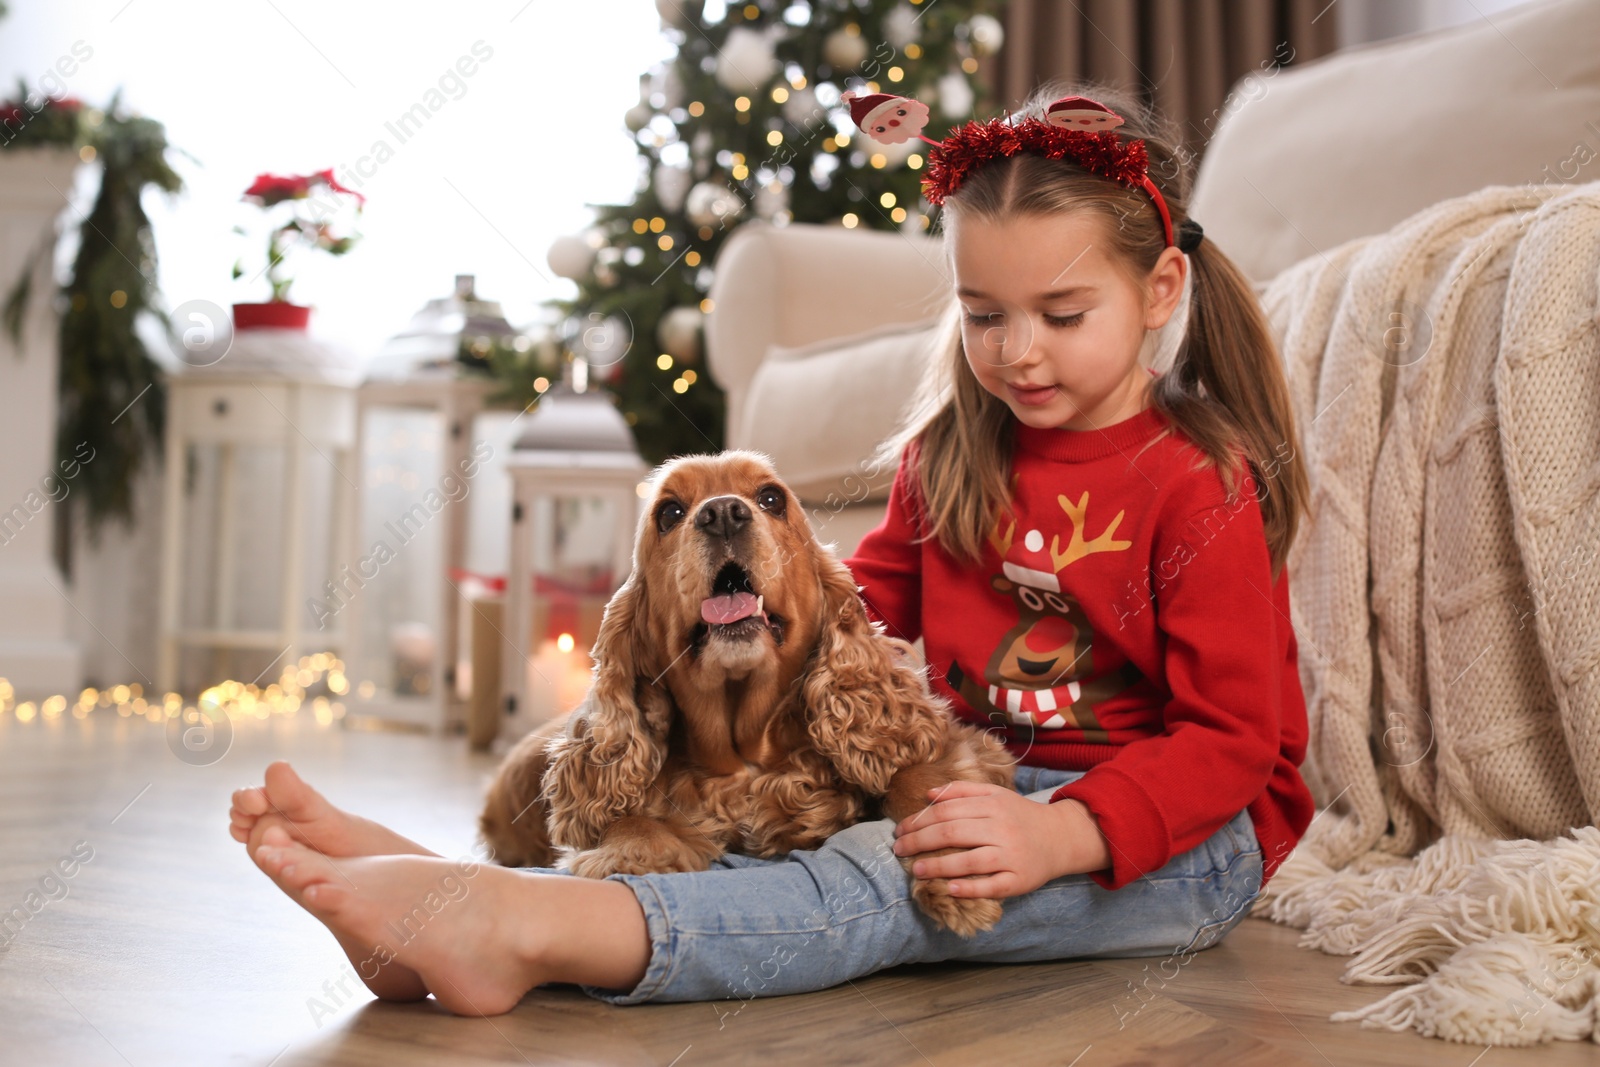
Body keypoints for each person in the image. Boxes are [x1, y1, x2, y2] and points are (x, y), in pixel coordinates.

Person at [230, 80, 1315, 1018]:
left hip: (1175, 836)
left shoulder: (1199, 481)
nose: (1016, 351)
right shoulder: (951, 452)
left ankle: (520, 926)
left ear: (1158, 291)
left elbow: (1231, 741)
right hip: (976, 780)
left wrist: (1061, 837)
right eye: (983, 314)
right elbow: (847, 615)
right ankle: (450, 885)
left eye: (1061, 314)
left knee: (875, 890)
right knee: (772, 819)